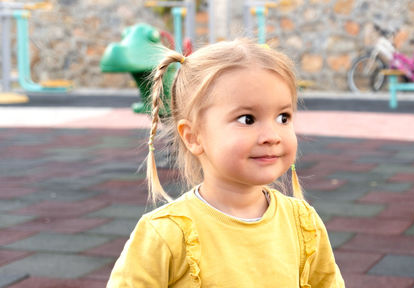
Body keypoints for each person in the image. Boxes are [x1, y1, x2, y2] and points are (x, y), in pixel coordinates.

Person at [107, 38, 344, 287]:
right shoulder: (166, 235)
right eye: (247, 119)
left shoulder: (303, 223)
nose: (272, 136)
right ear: (194, 136)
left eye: (283, 117)